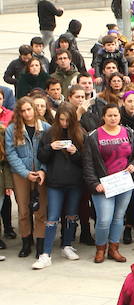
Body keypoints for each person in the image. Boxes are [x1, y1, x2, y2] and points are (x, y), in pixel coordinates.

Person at [83, 103, 134, 263]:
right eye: (109, 115)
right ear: (103, 117)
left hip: (123, 183)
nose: (113, 118)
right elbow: (88, 164)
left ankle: (114, 249)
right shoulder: (93, 136)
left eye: (116, 115)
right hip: (103, 185)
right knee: (104, 219)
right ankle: (100, 248)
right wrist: (94, 184)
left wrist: (133, 165)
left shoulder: (128, 132)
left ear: (119, 116)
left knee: (118, 218)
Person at [33, 102, 83, 269]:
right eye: (61, 119)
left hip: (75, 182)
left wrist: (75, 153)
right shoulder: (49, 133)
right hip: (55, 183)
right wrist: (50, 148)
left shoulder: (80, 132)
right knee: (52, 217)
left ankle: (67, 245)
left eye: (67, 120)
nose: (64, 123)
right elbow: (41, 156)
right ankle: (45, 254)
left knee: (71, 215)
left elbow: (86, 160)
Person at [5, 97, 50, 260]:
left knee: (40, 210)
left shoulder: (45, 128)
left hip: (41, 174)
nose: (26, 113)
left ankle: (40, 243)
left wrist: (43, 170)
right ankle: (26, 242)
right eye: (23, 110)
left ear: (34, 109)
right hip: (21, 174)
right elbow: (11, 153)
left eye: (29, 109)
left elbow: (49, 152)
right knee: (23, 210)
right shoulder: (12, 129)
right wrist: (25, 173)